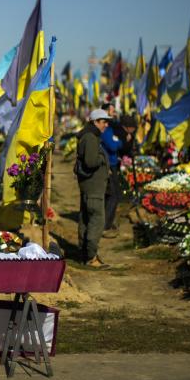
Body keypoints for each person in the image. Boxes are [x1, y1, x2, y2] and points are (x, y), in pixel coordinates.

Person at [76, 109, 111, 269]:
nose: (106, 124)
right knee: (97, 220)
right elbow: (90, 162)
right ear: (95, 122)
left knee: (86, 219)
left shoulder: (88, 135)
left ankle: (84, 254)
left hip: (89, 186)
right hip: (93, 187)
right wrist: (102, 160)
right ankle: (91, 257)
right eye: (103, 121)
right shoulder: (91, 138)